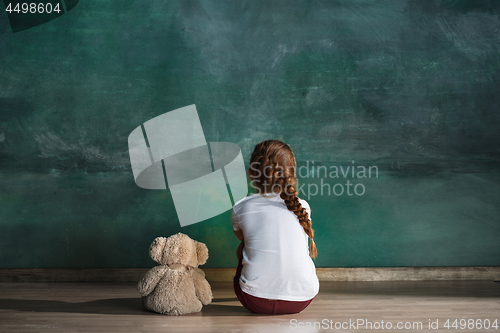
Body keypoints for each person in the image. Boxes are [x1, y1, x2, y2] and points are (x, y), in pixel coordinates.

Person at [232, 139, 319, 315]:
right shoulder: (303, 207)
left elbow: (241, 238)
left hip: (254, 300)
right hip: (301, 300)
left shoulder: (242, 207)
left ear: (251, 174)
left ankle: (257, 285)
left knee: (244, 247)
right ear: (292, 174)